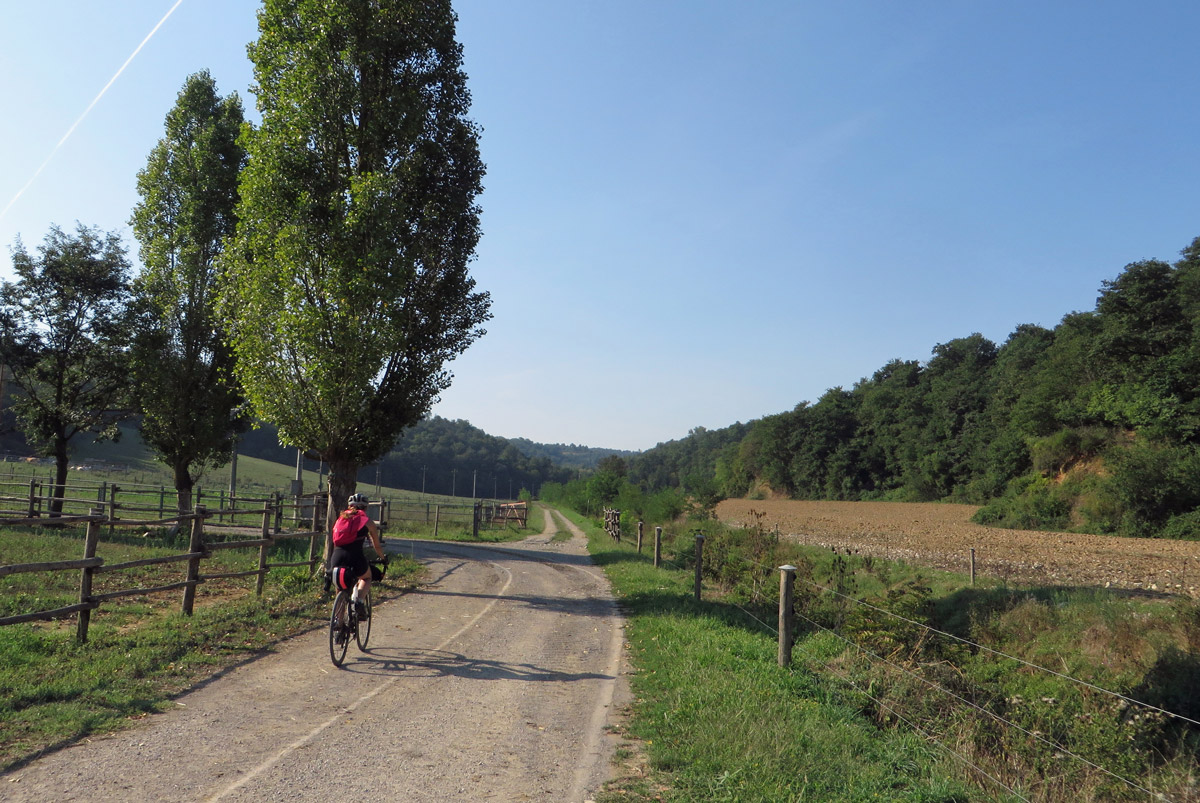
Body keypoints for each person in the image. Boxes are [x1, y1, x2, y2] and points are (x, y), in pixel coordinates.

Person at [330, 492, 386, 619]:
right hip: (355, 557)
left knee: (340, 587)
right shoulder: (367, 522)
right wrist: (383, 558)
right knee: (366, 577)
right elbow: (376, 545)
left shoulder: (340, 519)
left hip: (337, 556)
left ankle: (338, 624)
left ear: (349, 506)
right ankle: (359, 601)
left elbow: (334, 540)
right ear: (365, 508)